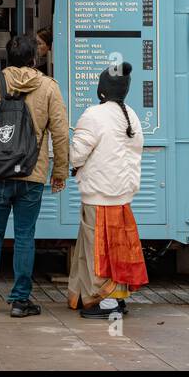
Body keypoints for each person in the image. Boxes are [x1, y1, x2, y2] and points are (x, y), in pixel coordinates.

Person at [0, 33, 69, 317]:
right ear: (35, 59)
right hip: (32, 173)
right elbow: (60, 133)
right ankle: (20, 301)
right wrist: (60, 171)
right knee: (24, 237)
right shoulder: (48, 87)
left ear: (8, 58)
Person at [66, 62, 149, 319]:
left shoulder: (94, 115)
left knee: (97, 250)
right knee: (117, 248)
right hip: (122, 195)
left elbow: (77, 154)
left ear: (102, 90)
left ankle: (105, 303)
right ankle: (112, 298)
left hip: (99, 195)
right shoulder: (131, 115)